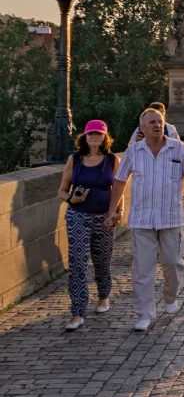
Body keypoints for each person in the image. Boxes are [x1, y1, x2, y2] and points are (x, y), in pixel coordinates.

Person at [108, 108, 184, 332]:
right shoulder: (133, 152)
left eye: (160, 122)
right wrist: (113, 210)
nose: (157, 125)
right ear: (142, 128)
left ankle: (170, 297)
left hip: (170, 217)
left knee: (172, 263)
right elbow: (119, 181)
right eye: (152, 123)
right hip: (142, 219)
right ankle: (144, 314)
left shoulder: (178, 148)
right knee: (143, 268)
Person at [58, 121, 123, 331]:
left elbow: (118, 190)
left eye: (99, 133)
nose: (94, 136)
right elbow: (62, 189)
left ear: (105, 137)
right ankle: (77, 312)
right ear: (84, 136)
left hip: (103, 217)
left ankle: (104, 296)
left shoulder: (113, 160)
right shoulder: (75, 159)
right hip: (78, 216)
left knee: (102, 261)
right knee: (77, 263)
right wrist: (71, 200)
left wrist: (118, 212)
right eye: (90, 133)